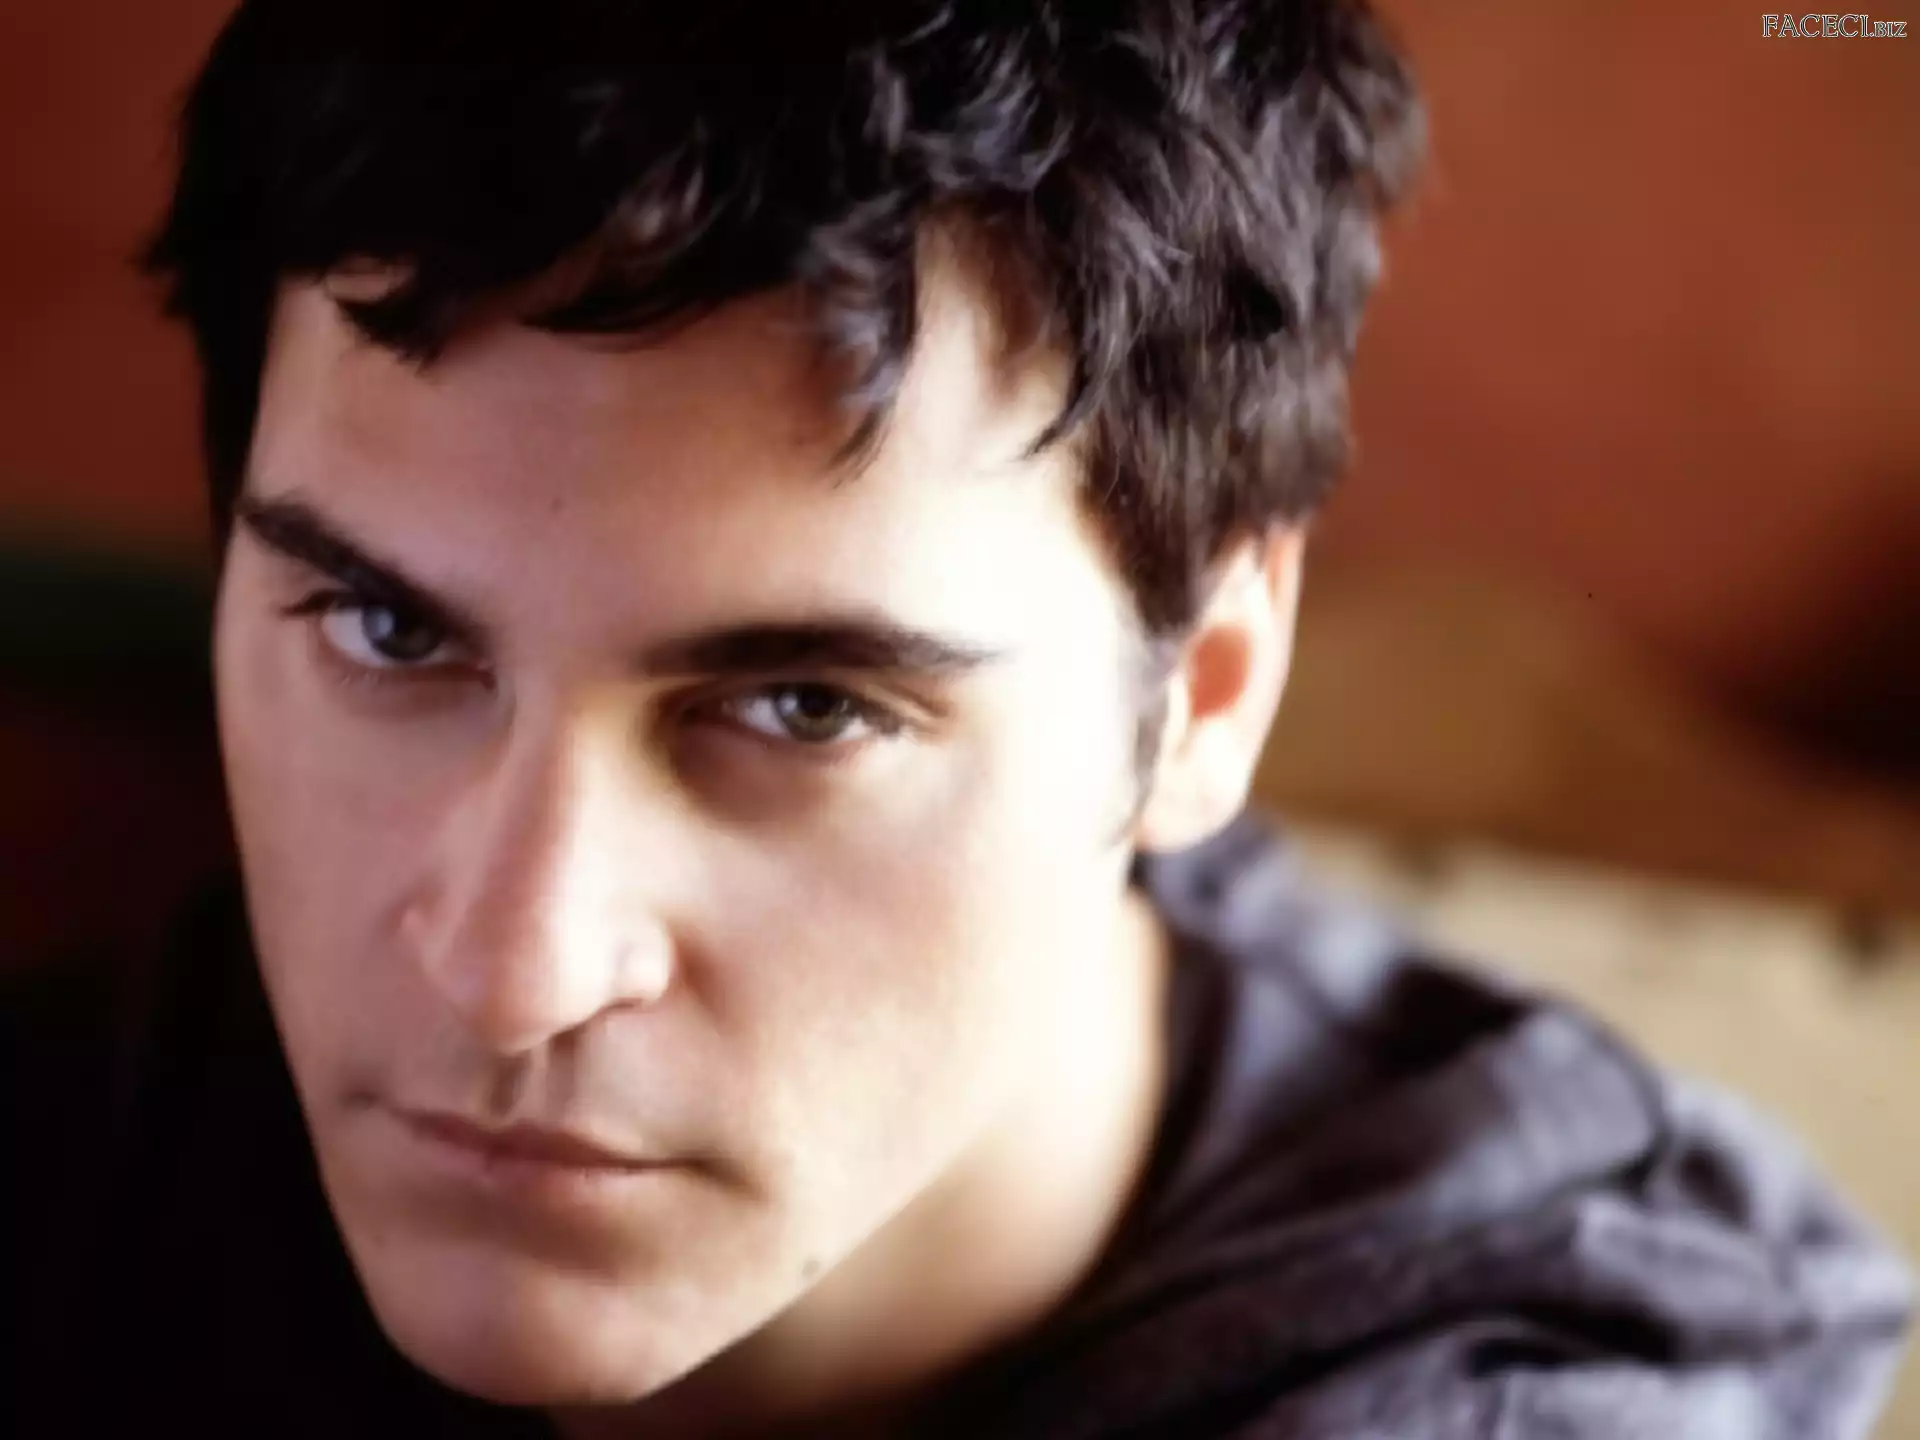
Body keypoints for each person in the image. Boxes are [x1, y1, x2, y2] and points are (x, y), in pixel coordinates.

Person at [1, 1, 1910, 1435]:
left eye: (805, 706)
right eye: (390, 630)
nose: (510, 974)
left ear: (1206, 693)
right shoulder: (108, 1150)